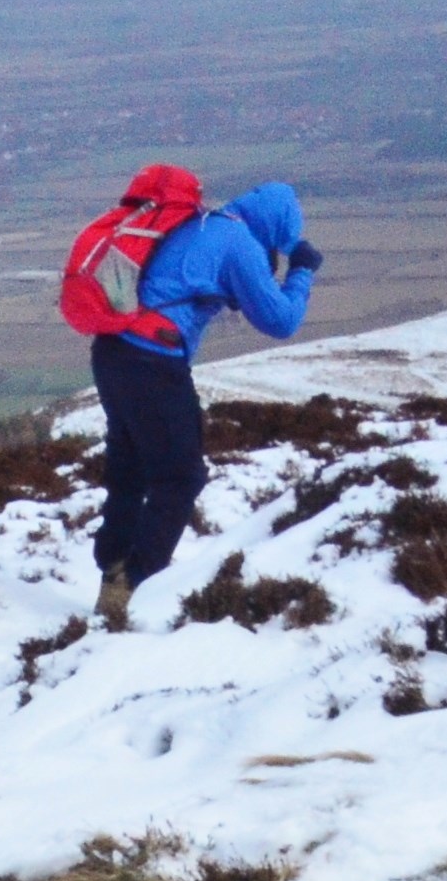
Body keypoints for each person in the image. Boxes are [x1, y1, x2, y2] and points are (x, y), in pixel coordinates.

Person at [81, 176, 318, 626]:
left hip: (111, 352)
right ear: (275, 231)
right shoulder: (238, 242)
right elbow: (281, 320)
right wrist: (301, 270)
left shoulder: (200, 222)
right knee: (180, 477)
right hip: (153, 361)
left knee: (130, 467)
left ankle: (111, 570)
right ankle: (134, 586)